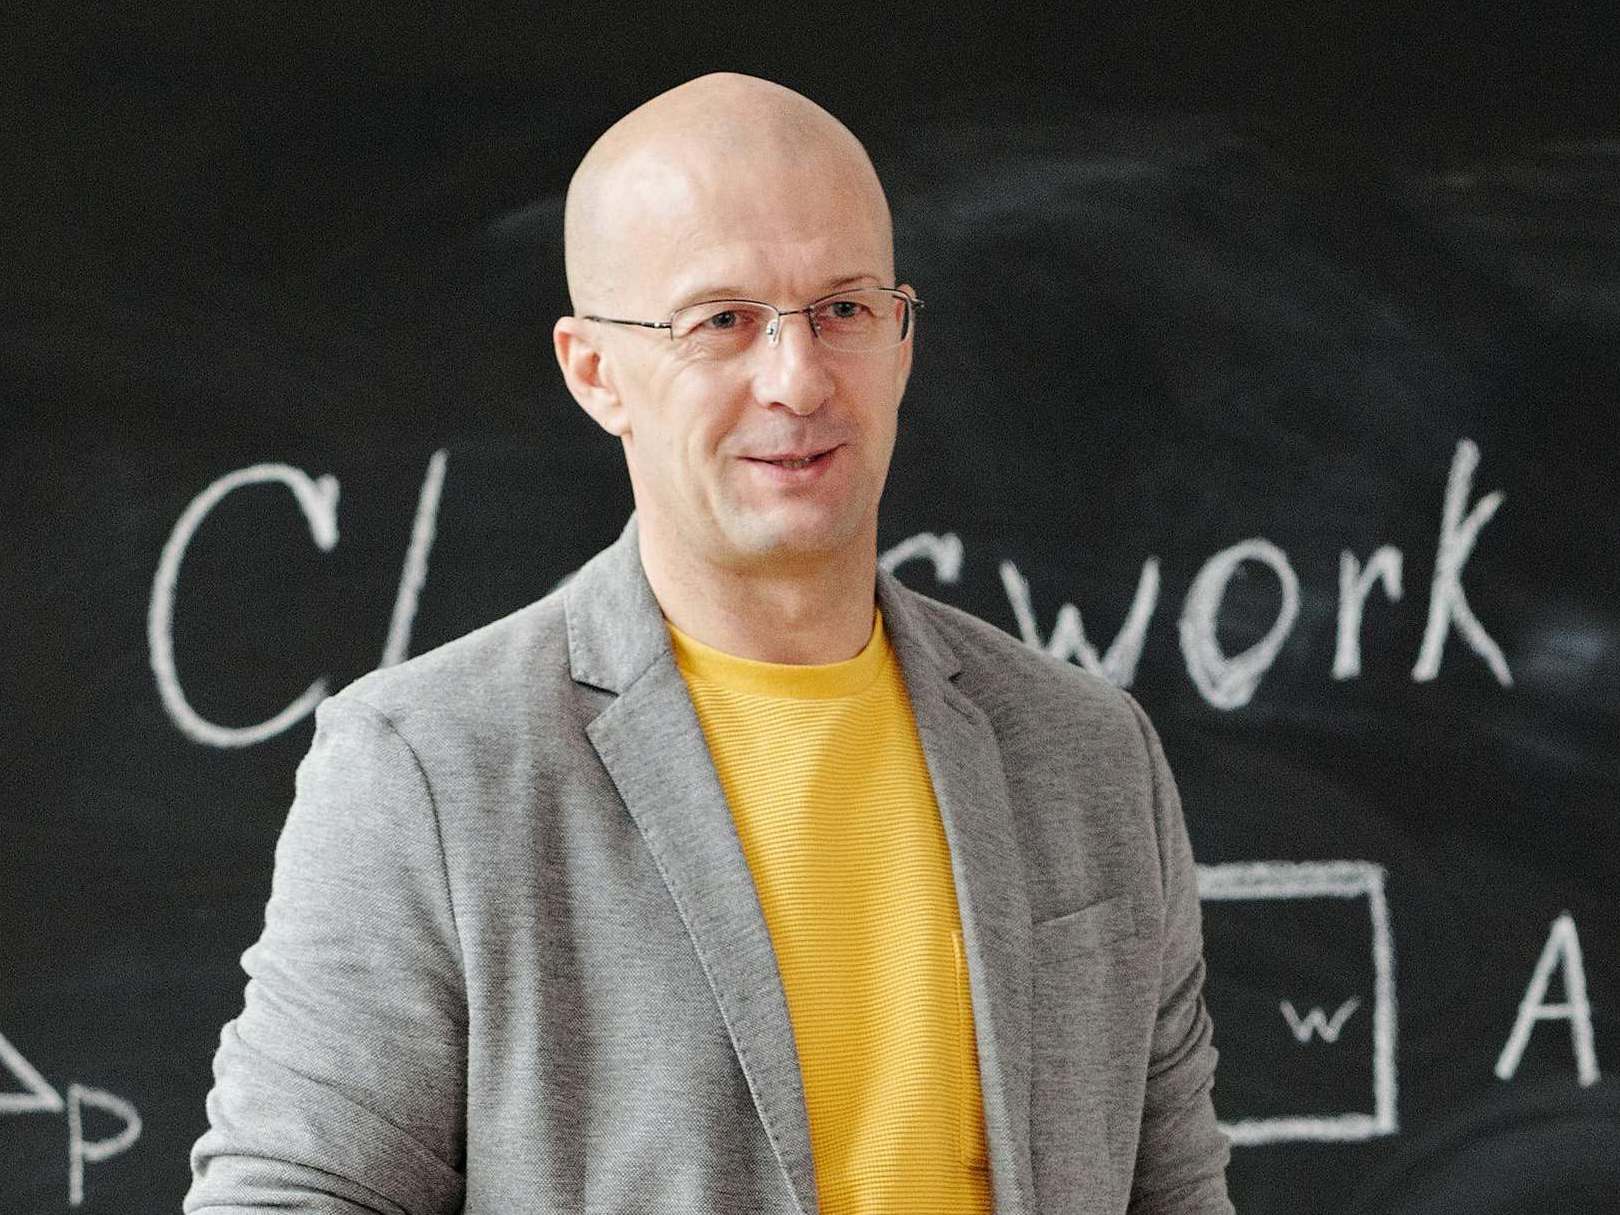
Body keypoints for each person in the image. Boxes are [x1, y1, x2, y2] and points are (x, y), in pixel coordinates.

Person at [185, 71, 1233, 1215]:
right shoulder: (427, 769)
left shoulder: (1089, 754)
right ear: (596, 372)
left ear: (902, 338)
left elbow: (1174, 1194)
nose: (796, 379)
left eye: (843, 309)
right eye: (721, 321)